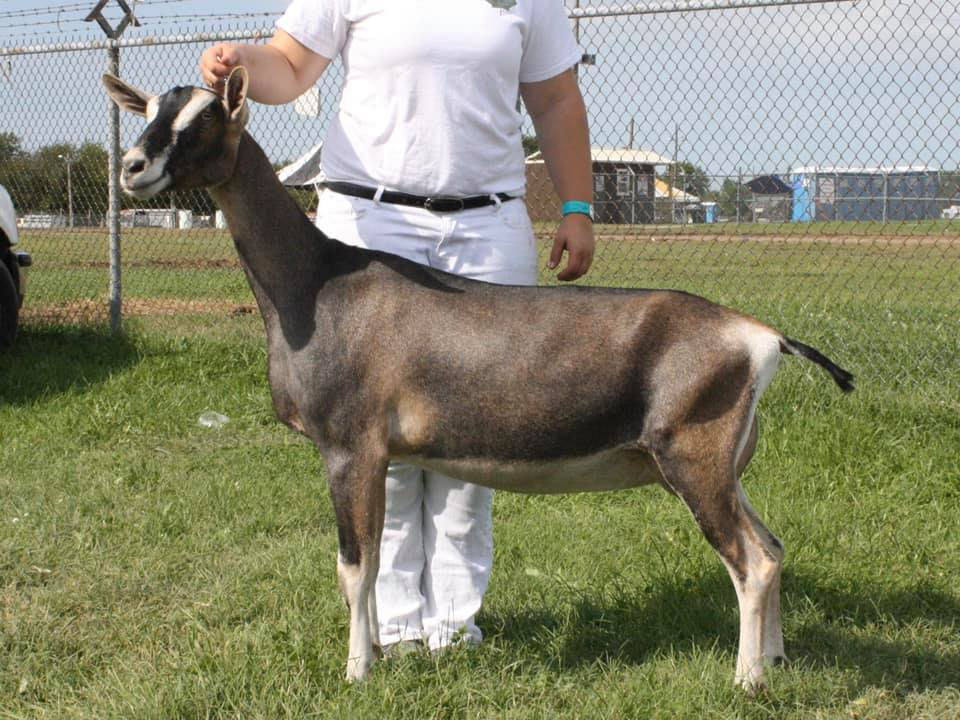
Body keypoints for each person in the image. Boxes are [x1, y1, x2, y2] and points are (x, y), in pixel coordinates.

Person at [200, 0, 595, 655]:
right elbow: (293, 67)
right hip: (369, 226)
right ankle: (392, 627)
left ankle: (452, 628)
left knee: (477, 436)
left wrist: (577, 206)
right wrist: (241, 63)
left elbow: (555, 100)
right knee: (373, 440)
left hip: (486, 229)